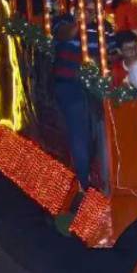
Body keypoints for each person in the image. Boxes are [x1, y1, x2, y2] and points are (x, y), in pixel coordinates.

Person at [52, 14, 93, 191]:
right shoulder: (64, 21)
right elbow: (64, 34)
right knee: (79, 135)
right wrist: (82, 21)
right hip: (70, 87)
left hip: (95, 89)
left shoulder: (103, 27)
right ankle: (83, 184)